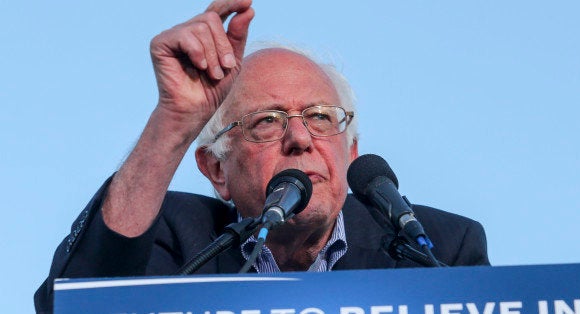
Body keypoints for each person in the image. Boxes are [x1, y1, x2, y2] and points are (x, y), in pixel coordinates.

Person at [35, 0, 489, 312]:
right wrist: (173, 121)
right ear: (217, 170)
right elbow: (77, 302)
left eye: (320, 117)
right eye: (266, 121)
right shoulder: (177, 238)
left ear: (351, 154)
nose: (299, 138)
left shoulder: (440, 249)